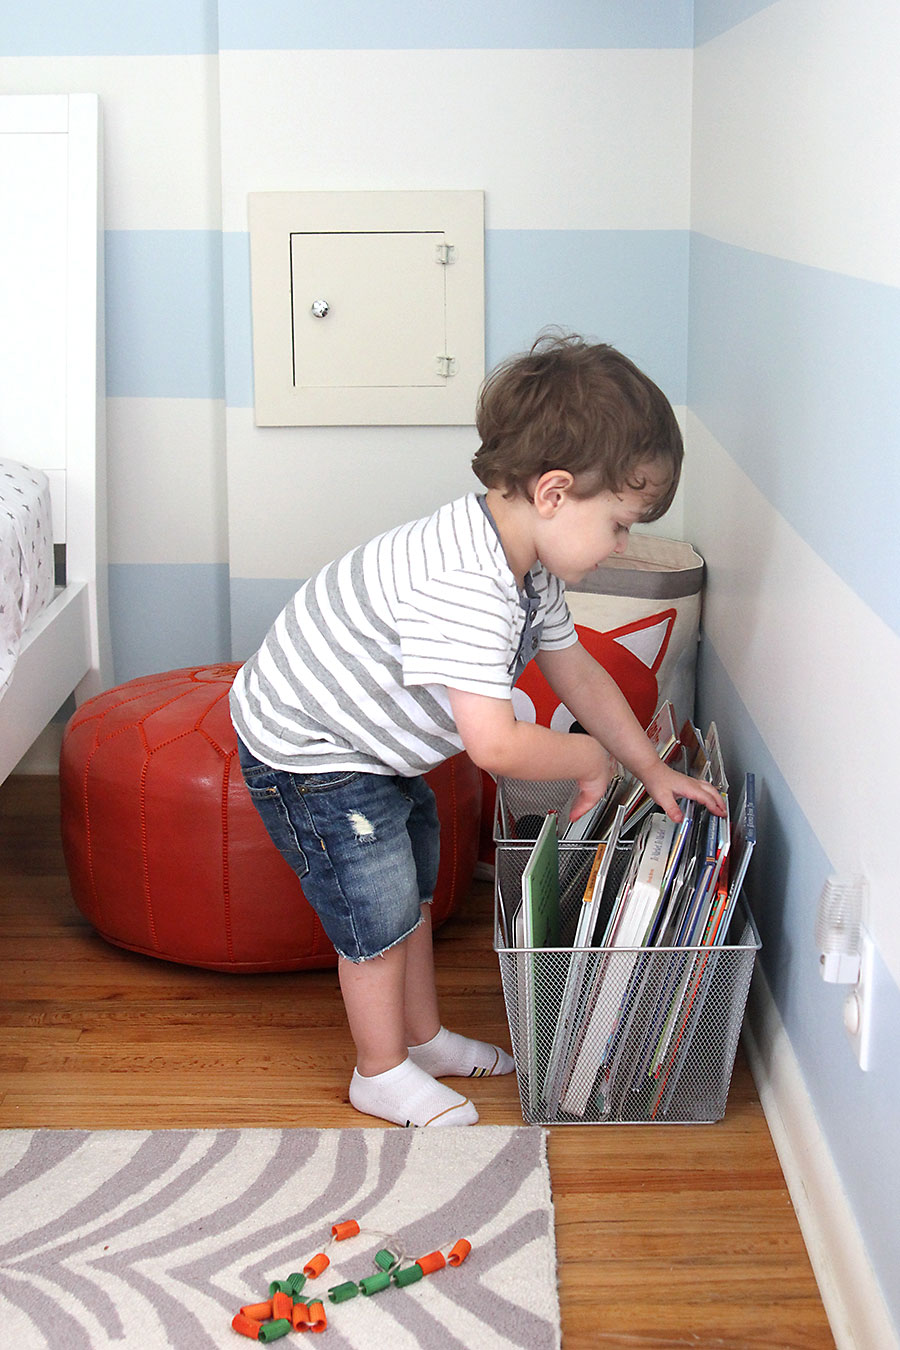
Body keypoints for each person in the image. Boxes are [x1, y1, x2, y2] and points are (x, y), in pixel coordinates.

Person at [229, 332, 725, 1129]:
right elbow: (494, 744)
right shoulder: (468, 583)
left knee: (415, 887)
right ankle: (378, 1070)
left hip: (375, 743)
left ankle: (421, 1039)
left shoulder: (527, 565)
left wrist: (648, 767)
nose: (622, 545)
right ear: (554, 493)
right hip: (313, 746)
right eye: (619, 524)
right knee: (376, 910)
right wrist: (587, 758)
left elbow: (577, 672)